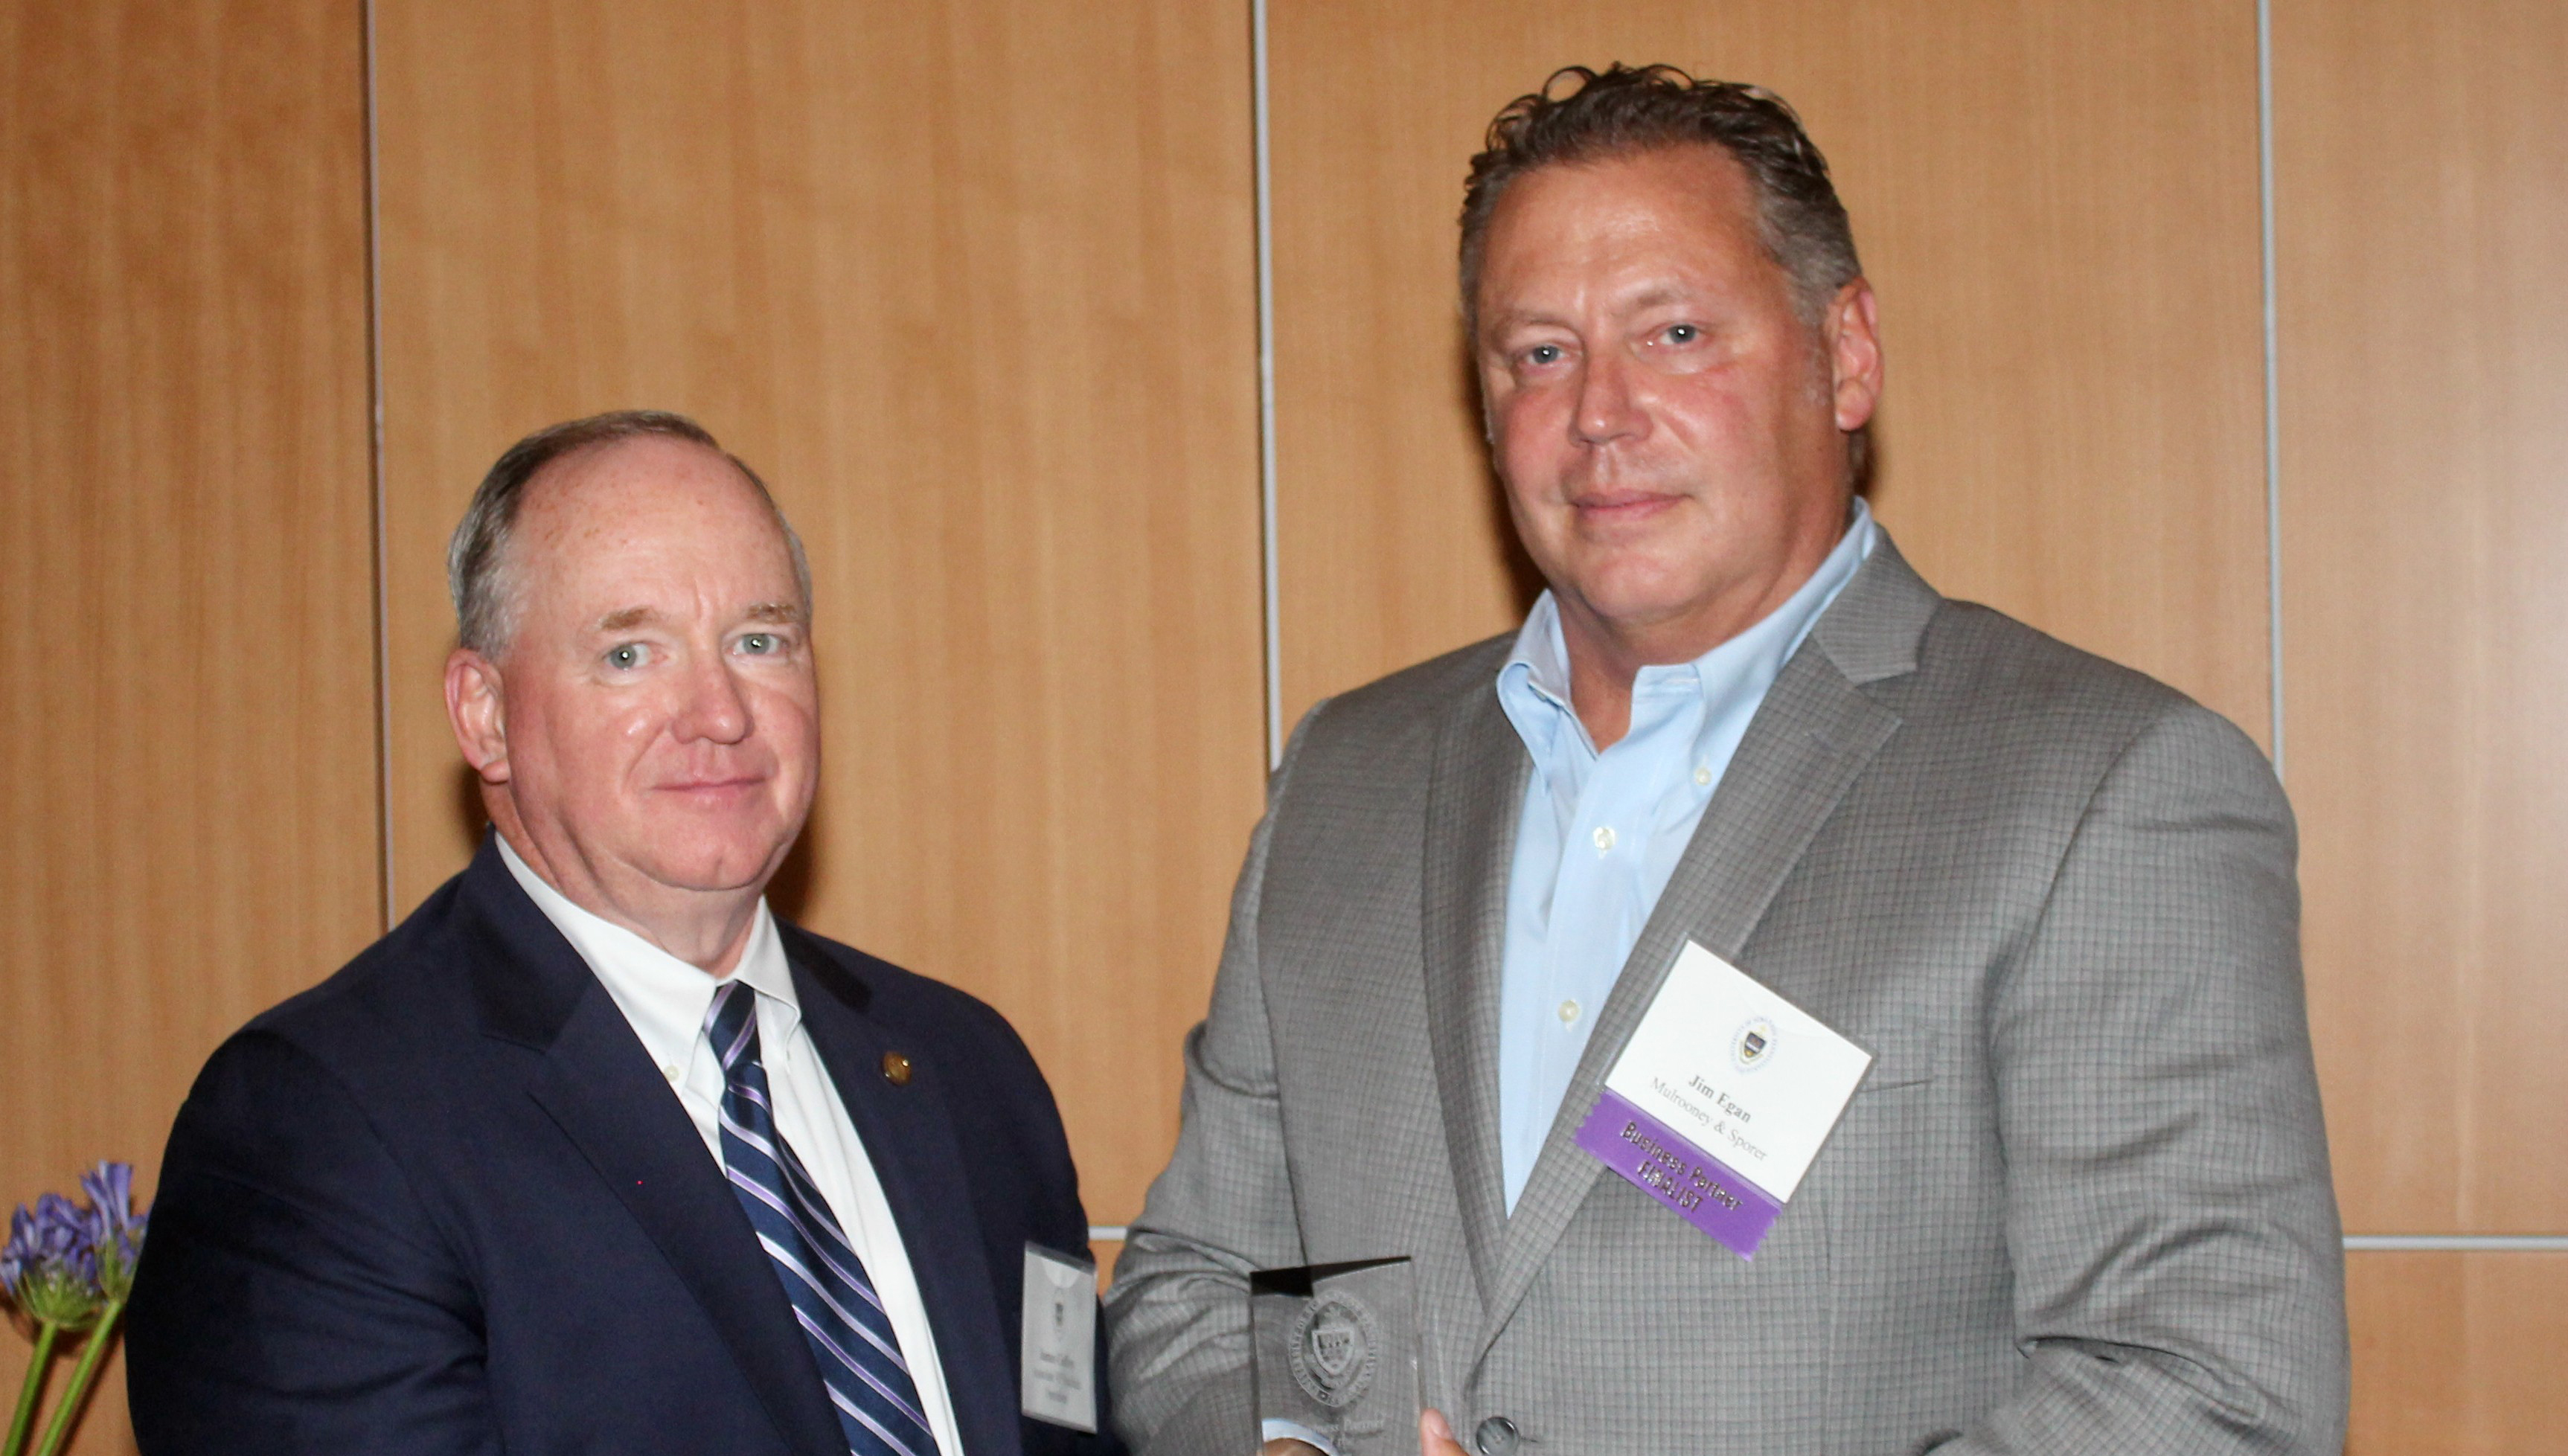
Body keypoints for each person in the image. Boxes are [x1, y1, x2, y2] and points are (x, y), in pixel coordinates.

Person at [1104, 65, 2347, 1456]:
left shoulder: (2105, 792)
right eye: (1539, 353)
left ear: (1847, 354)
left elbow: (2206, 1386)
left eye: (1677, 332)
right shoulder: (1349, 779)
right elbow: (1192, 1292)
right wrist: (1305, 1437)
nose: (1600, 415)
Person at [128, 411, 1122, 1455]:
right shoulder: (319, 1129)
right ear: (483, 714)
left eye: (759, 640)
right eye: (631, 651)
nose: (720, 712)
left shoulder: (968, 1070)